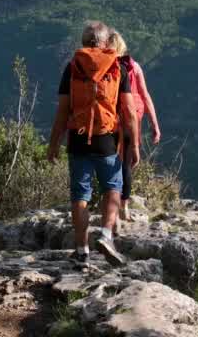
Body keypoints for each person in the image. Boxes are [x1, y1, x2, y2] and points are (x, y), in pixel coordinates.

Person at [46, 21, 140, 266]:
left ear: (84, 42)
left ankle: (81, 250)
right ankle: (106, 235)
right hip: (106, 138)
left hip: (77, 137)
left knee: (80, 194)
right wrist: (135, 145)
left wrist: (53, 143)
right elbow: (129, 112)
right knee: (112, 187)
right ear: (106, 42)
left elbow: (63, 111)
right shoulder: (117, 67)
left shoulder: (73, 67)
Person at [108, 31, 162, 222]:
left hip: (109, 122)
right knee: (127, 164)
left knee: (109, 163)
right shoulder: (133, 67)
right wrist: (155, 124)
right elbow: (145, 96)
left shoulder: (103, 68)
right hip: (131, 121)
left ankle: (109, 207)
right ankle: (124, 206)